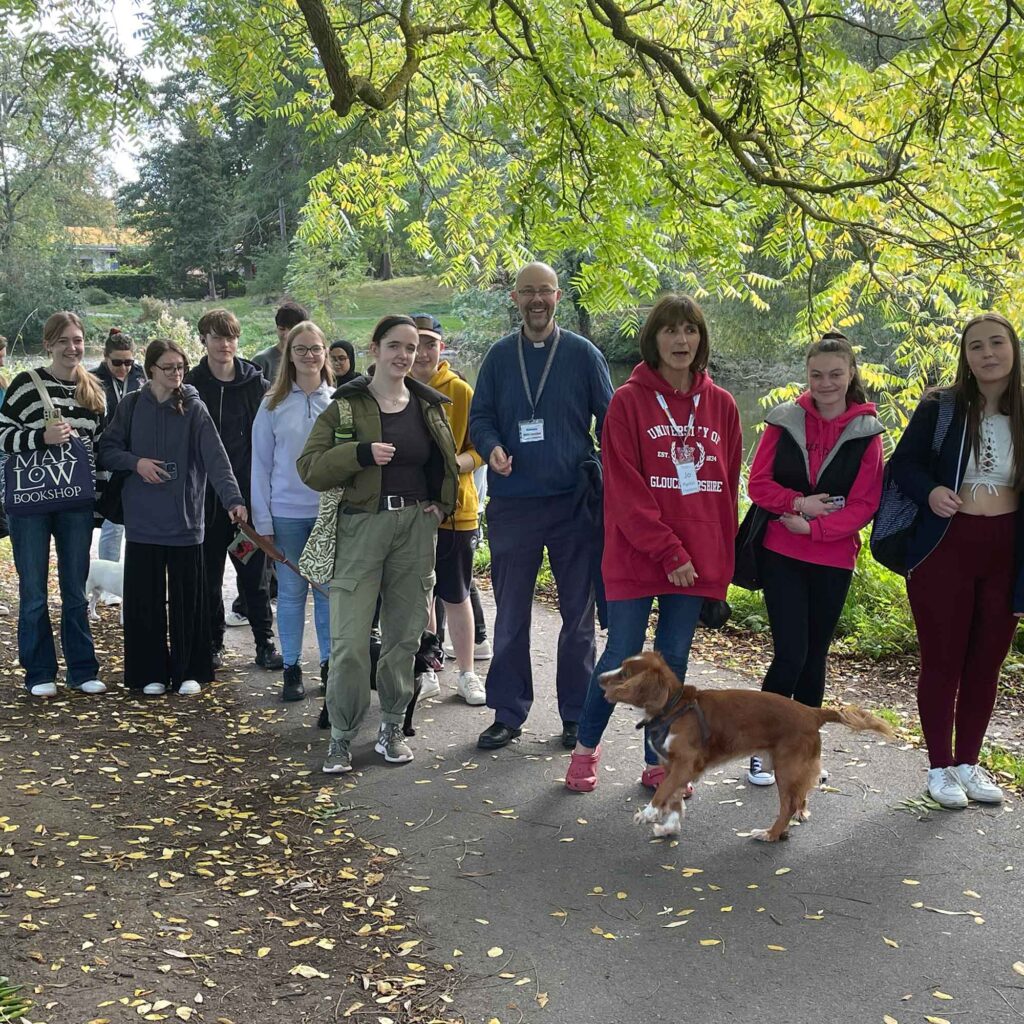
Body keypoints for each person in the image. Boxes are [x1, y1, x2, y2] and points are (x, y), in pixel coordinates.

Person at [565, 296, 742, 791]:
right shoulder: (628, 401)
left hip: (696, 561)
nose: (681, 340)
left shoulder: (723, 405)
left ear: (701, 338)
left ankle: (657, 760)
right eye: (670, 330)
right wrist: (668, 550)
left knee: (673, 662)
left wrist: (719, 565)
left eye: (690, 330)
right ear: (653, 338)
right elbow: (624, 491)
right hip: (637, 553)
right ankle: (585, 748)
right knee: (622, 658)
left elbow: (727, 491)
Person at [297, 315, 459, 774]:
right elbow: (310, 468)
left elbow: (446, 461)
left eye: (412, 347)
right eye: (395, 346)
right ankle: (341, 736)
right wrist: (359, 454)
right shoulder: (347, 407)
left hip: (415, 528)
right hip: (361, 527)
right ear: (375, 349)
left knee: (403, 638)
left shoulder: (427, 405)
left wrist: (441, 506)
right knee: (349, 641)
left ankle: (391, 726)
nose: (405, 355)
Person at [469, 262, 613, 750]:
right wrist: (491, 447)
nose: (536, 299)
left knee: (578, 617)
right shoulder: (498, 357)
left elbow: (612, 422)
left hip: (574, 504)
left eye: (544, 291)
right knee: (511, 615)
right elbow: (480, 418)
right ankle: (508, 713)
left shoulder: (583, 354)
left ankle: (577, 714)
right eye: (527, 291)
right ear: (515, 298)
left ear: (557, 297)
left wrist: (607, 476)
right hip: (513, 506)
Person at [888, 313, 1024, 809]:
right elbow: (902, 464)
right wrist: (931, 491)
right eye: (976, 346)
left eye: (996, 343)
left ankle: (969, 762)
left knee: (987, 663)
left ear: (1013, 349)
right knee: (942, 661)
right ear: (965, 357)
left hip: (1007, 549)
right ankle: (940, 768)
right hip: (944, 547)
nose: (988, 354)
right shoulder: (941, 406)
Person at [744, 333, 884, 786]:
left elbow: (865, 504)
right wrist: (799, 504)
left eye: (835, 374)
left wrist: (818, 529)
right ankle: (763, 747)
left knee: (814, 657)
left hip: (833, 558)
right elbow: (758, 484)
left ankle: (804, 753)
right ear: (806, 375)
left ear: (850, 375)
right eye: (816, 375)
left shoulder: (867, 432)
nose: (826, 383)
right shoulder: (785, 421)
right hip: (782, 552)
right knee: (790, 654)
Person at [98, 340, 246, 695]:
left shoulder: (194, 407)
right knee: (144, 601)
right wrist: (136, 463)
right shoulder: (131, 405)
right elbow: (107, 450)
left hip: (184, 520)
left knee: (188, 600)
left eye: (180, 367)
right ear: (150, 369)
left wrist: (234, 499)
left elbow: (216, 458)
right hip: (142, 522)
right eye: (168, 367)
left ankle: (189, 670)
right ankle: (148, 672)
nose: (176, 374)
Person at [0, 312, 107, 697]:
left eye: (77, 340)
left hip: (75, 503)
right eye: (63, 341)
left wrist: (98, 506)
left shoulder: (94, 391)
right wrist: (39, 438)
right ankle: (39, 671)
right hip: (30, 503)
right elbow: (2, 436)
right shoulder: (26, 385)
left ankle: (82, 669)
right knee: (33, 591)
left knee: (75, 590)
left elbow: (99, 453)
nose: (72, 347)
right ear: (48, 344)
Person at [184, 309, 283, 670]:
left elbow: (270, 442)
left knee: (254, 575)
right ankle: (213, 642)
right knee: (208, 576)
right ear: (204, 340)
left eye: (230, 337)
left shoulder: (255, 385)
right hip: (205, 502)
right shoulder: (191, 385)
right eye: (217, 337)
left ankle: (264, 643)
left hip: (245, 503)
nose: (225, 344)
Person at [251, 321, 334, 702]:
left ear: (324, 353)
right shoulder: (272, 404)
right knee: (290, 592)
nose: (309, 355)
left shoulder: (338, 402)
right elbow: (261, 465)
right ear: (289, 355)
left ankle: (329, 666)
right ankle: (291, 668)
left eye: (315, 348)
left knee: (327, 592)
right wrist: (262, 520)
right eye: (301, 349)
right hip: (286, 513)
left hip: (327, 513)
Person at [409, 312, 486, 704]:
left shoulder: (460, 391)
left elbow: (481, 448)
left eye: (430, 344)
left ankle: (467, 673)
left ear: (441, 347)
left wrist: (455, 464)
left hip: (457, 511)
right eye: (415, 344)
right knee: (420, 596)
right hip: (412, 511)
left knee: (456, 594)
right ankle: (426, 668)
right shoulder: (395, 390)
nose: (422, 353)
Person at [92, 328, 146, 576]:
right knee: (112, 522)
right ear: (105, 358)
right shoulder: (93, 379)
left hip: (136, 456)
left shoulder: (143, 376)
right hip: (106, 456)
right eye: (117, 362)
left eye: (128, 362)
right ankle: (108, 576)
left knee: (137, 519)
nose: (123, 368)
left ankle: (136, 575)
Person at [251, 301, 309, 382]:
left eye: (292, 329)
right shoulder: (262, 360)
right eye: (282, 329)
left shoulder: (311, 358)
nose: (286, 335)